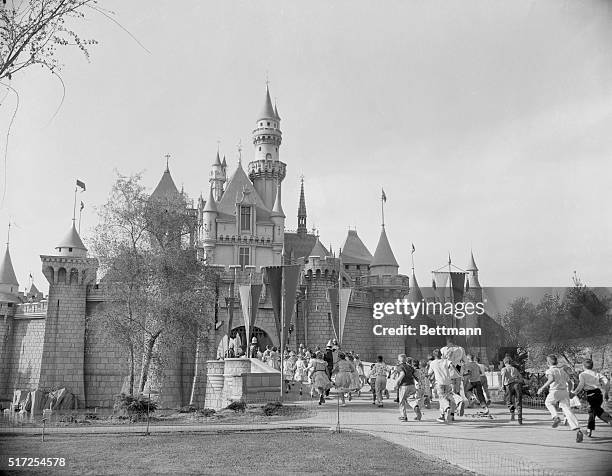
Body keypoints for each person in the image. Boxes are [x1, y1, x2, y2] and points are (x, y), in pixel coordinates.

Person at [538, 354, 584, 442]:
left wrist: (542, 388)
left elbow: (551, 379)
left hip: (555, 391)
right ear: (557, 362)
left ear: (548, 363)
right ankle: (578, 430)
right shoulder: (562, 371)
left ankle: (555, 417)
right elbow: (570, 383)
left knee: (548, 403)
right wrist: (570, 392)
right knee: (568, 410)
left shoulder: (549, 371)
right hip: (564, 392)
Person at [572, 359, 611, 437]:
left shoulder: (582, 374)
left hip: (591, 395)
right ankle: (589, 430)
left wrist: (574, 393)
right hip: (599, 394)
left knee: (595, 411)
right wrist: (606, 392)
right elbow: (606, 382)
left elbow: (581, 385)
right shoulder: (597, 374)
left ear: (583, 366)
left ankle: (609, 420)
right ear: (592, 366)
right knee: (594, 411)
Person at [428, 349, 457, 423]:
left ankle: (447, 408)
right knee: (445, 398)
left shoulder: (433, 363)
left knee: (442, 398)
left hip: (439, 383)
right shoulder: (446, 361)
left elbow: (429, 373)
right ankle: (442, 416)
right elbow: (453, 366)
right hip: (448, 382)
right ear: (441, 354)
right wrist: (459, 375)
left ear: (434, 356)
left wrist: (428, 378)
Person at [396, 354, 422, 421]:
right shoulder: (409, 367)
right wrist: (418, 381)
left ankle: (404, 416)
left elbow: (402, 374)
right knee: (411, 400)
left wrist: (397, 382)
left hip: (404, 386)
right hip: (412, 385)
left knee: (402, 401)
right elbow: (416, 374)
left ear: (399, 359)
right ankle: (415, 406)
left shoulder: (399, 366)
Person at [500, 356, 522, 423]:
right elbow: (520, 378)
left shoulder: (504, 369)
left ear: (504, 362)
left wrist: (502, 385)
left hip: (508, 386)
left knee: (508, 400)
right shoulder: (515, 369)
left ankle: (512, 409)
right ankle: (520, 418)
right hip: (516, 385)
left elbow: (503, 377)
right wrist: (518, 381)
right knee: (518, 401)